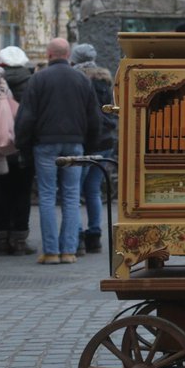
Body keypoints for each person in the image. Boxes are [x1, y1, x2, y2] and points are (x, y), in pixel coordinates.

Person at [13, 38, 101, 264]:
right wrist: (89, 147)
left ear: (49, 54)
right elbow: (94, 118)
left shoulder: (38, 79)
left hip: (45, 144)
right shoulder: (82, 79)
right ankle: (69, 250)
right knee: (72, 197)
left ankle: (51, 251)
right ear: (68, 54)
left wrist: (24, 147)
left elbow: (26, 117)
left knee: (47, 195)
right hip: (75, 143)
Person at [70, 43, 117, 254]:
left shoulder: (77, 79)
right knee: (94, 189)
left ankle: (78, 235)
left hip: (87, 140)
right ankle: (95, 235)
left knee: (76, 189)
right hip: (106, 140)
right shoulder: (105, 80)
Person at [0, 46, 35, 257]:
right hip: (23, 147)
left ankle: (1, 239)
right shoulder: (32, 82)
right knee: (22, 193)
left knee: (0, 192)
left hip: (0, 146)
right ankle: (19, 240)